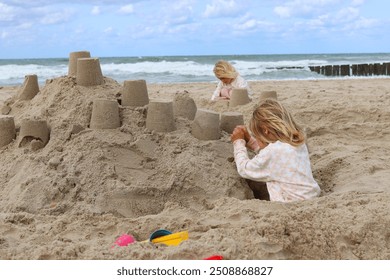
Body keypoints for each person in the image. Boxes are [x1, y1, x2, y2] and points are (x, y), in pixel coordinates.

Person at [231, 99, 320, 202]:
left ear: (266, 131)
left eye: (256, 136)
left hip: (292, 202)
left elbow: (244, 169)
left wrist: (238, 142)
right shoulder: (296, 142)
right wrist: (251, 142)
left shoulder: (273, 151)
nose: (257, 139)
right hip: (311, 197)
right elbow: (274, 157)